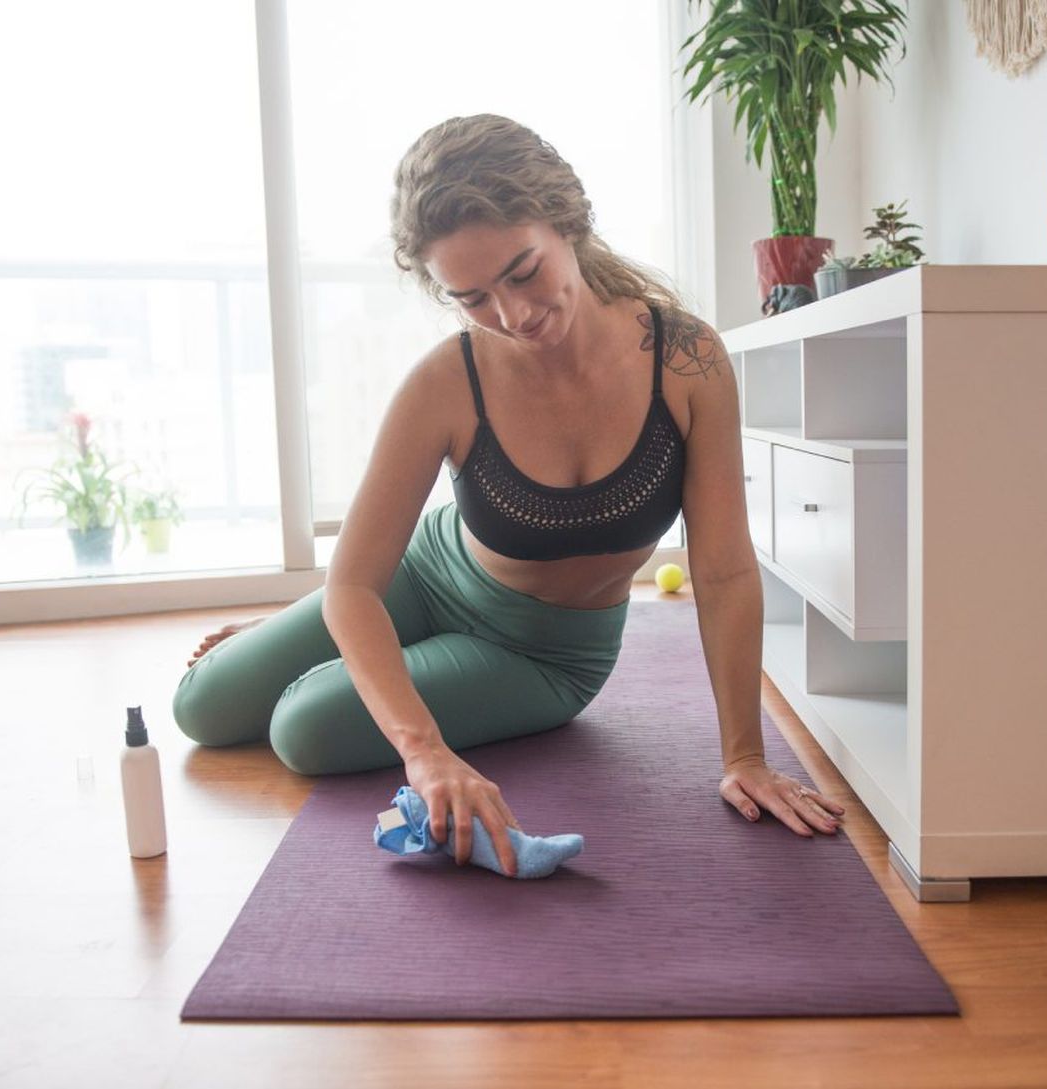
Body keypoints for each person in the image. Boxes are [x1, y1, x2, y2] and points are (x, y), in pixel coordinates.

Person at [172, 114, 844, 877]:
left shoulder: (686, 359)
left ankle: (330, 642)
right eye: (473, 297)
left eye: (524, 272)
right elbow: (355, 581)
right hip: (428, 571)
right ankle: (307, 633)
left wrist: (745, 756)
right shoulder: (445, 380)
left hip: (540, 652)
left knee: (302, 727)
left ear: (568, 222)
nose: (514, 315)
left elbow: (722, 571)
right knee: (202, 705)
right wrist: (425, 752)